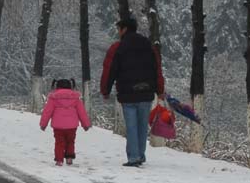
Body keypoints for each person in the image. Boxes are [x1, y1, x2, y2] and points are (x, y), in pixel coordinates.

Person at [100, 16, 165, 167]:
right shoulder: (149, 46)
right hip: (146, 93)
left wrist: (105, 90)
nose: (118, 32)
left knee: (132, 127)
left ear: (124, 29)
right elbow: (157, 69)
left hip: (128, 94)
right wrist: (160, 90)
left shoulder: (118, 47)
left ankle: (134, 157)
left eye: (119, 29)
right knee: (142, 126)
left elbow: (109, 71)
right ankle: (140, 155)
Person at [39, 79, 91, 166]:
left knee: (59, 142)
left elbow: (47, 112)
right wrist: (85, 124)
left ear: (56, 86)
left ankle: (59, 160)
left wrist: (43, 124)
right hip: (72, 126)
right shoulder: (76, 98)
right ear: (71, 86)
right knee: (70, 141)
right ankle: (69, 158)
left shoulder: (53, 98)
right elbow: (82, 112)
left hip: (58, 126)